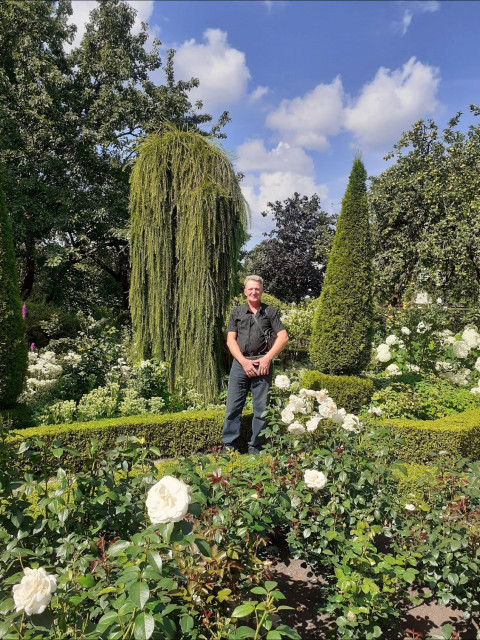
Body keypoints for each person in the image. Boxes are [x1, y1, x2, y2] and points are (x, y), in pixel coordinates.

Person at [222, 275, 289, 454]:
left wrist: (267, 358)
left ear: (262, 291)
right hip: (240, 364)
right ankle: (229, 446)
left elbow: (283, 337)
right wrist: (243, 362)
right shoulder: (236, 312)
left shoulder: (270, 312)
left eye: (257, 289)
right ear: (245, 291)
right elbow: (230, 341)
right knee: (233, 408)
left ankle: (256, 447)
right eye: (250, 289)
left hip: (262, 364)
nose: (253, 292)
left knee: (261, 409)